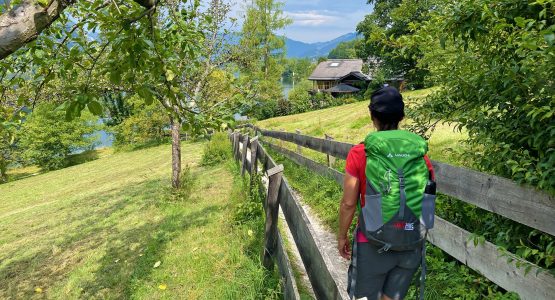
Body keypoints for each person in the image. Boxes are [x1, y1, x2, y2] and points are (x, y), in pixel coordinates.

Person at [337, 86, 435, 300]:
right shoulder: (419, 155)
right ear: (402, 116)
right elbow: (427, 197)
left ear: (372, 116)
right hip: (410, 241)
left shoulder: (360, 153)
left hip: (372, 242)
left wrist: (342, 236)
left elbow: (348, 204)